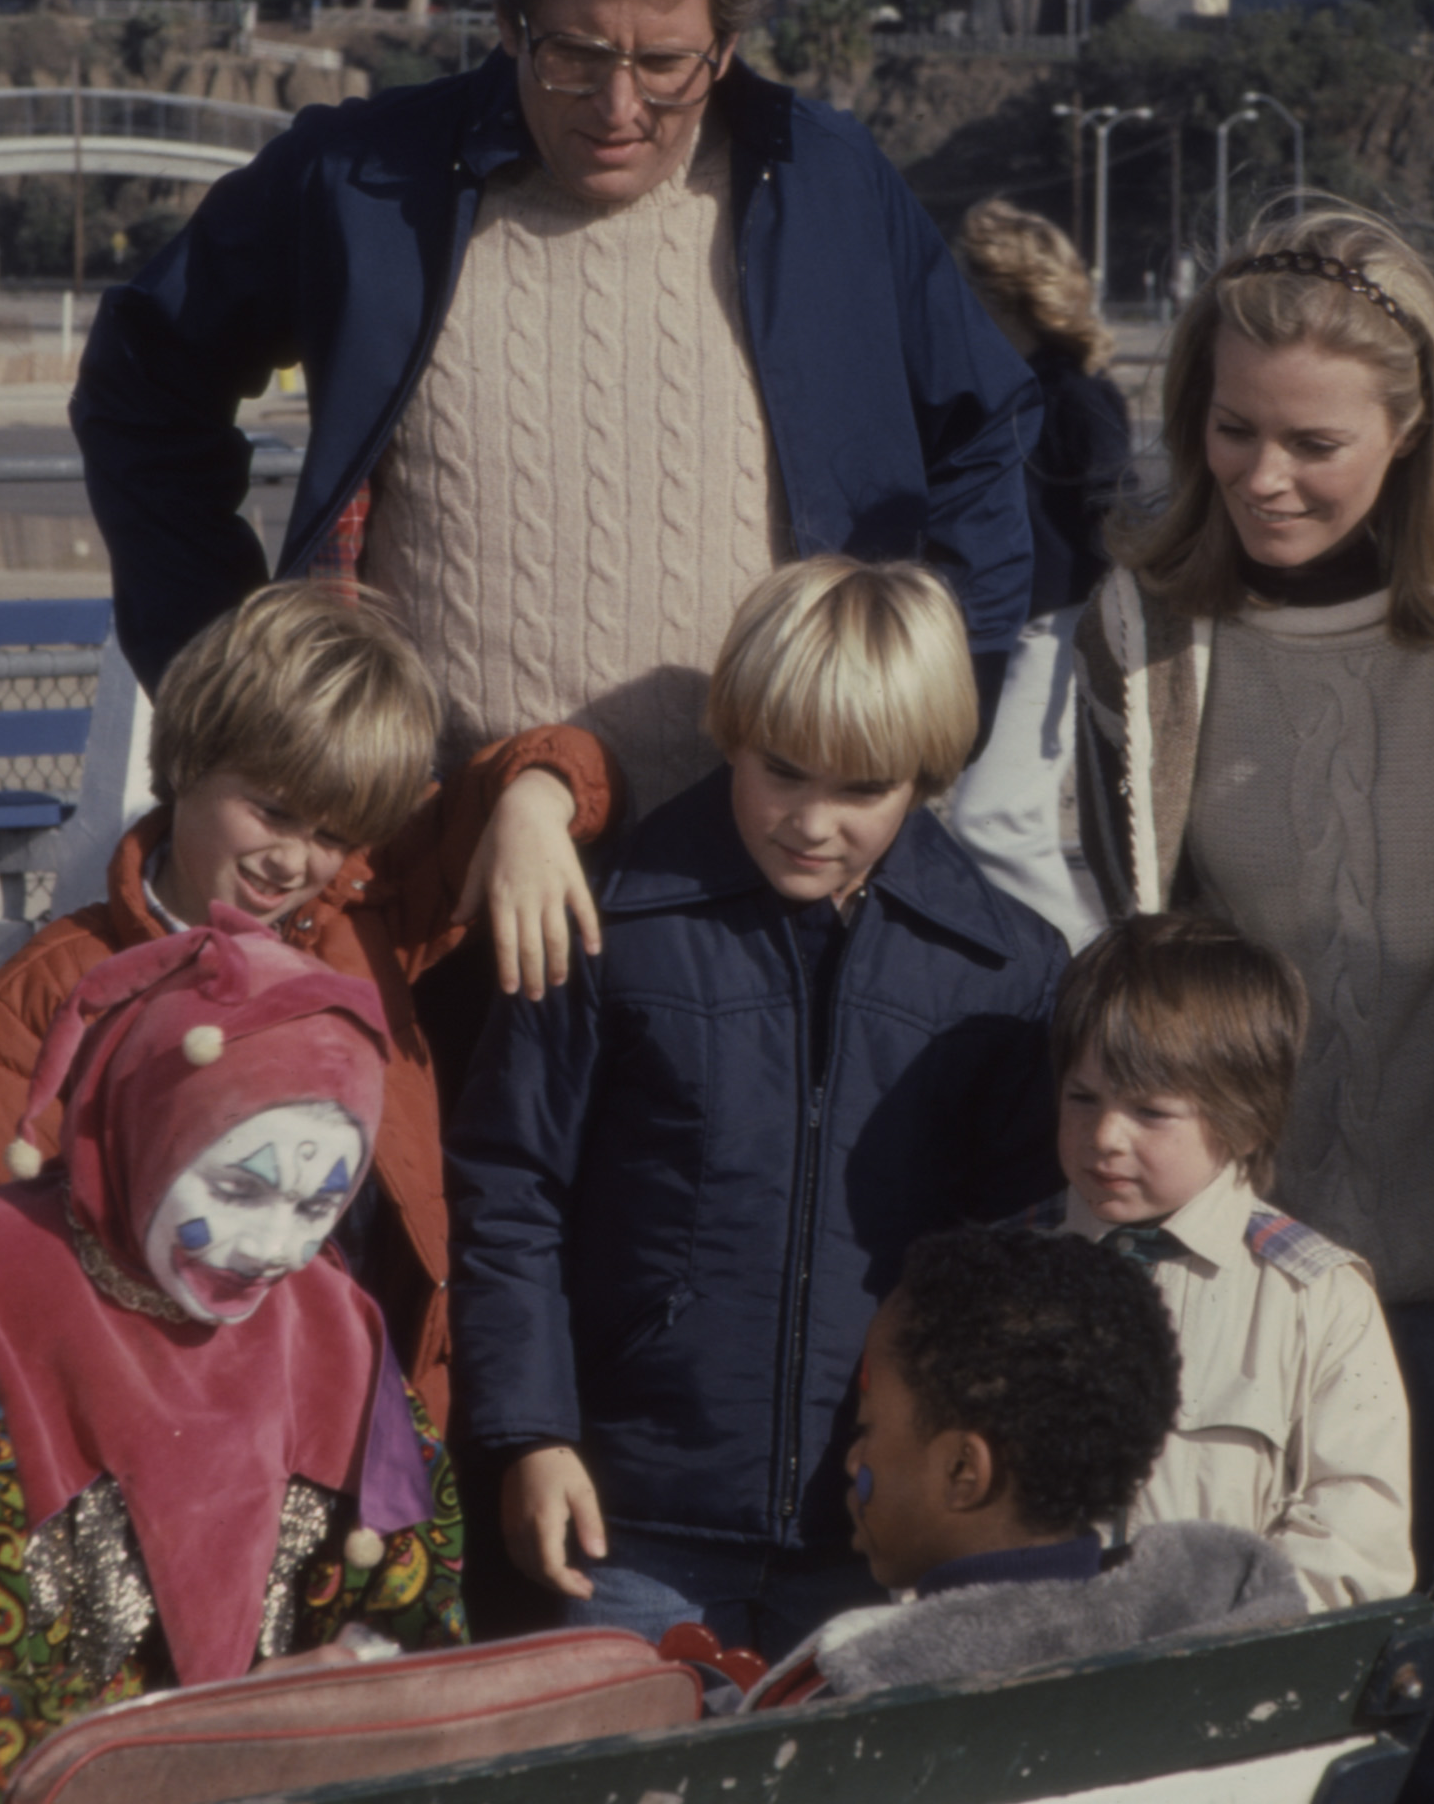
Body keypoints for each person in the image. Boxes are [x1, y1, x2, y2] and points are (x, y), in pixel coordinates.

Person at [73, 0, 1037, 820]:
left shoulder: (831, 182)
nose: (621, 111)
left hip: (766, 876)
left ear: (728, 38)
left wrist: (936, 715)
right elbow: (147, 379)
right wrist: (230, 672)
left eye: (667, 64)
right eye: (576, 56)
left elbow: (986, 436)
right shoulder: (359, 179)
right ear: (507, 22)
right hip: (443, 861)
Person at [1075, 203, 1434, 1802]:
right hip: (1254, 1293)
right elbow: (1126, 942)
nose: (1262, 477)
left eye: (1314, 441)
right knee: (1244, 1749)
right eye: (1229, 430)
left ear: (1416, 422)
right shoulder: (1144, 631)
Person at [447, 557, 1070, 1659]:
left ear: (926, 775)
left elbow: (1019, 1257)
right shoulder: (603, 923)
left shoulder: (1007, 971)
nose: (812, 821)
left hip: (878, 1537)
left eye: (862, 788)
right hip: (626, 1517)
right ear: (731, 729)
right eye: (784, 771)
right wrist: (531, 1434)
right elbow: (510, 1186)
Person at [0, 919, 466, 1804]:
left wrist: (344, 1692)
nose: (274, 1249)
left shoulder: (336, 1335)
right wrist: (188, 1744)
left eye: (320, 1204)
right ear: (148, 1123)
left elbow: (411, 1617)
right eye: (239, 1187)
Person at [0, 581, 618, 1431]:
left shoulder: (362, 912)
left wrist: (534, 800)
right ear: (192, 760)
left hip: (361, 1422)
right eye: (270, 811)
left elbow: (565, 753)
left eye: (331, 835)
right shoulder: (55, 992)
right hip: (150, 1430)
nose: (291, 861)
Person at [740, 1226, 1307, 1710]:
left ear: (965, 1471)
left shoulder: (848, 1680)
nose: (852, 1458)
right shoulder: (1221, 1629)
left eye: (866, 1429)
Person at [1036, 913, 1413, 1610]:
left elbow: (1358, 1539)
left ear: (1243, 1116)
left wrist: (1218, 1633)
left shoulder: (1316, 1296)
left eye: (1150, 1111)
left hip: (1230, 1683)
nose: (1104, 1137)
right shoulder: (1005, 1275)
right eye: (1081, 1099)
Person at [944, 197, 1133, 948]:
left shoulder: (1076, 396)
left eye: (966, 289)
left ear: (999, 295)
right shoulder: (1003, 389)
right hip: (997, 625)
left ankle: (1090, 969)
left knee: (994, 818)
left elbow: (1117, 517)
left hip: (1053, 632)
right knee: (975, 820)